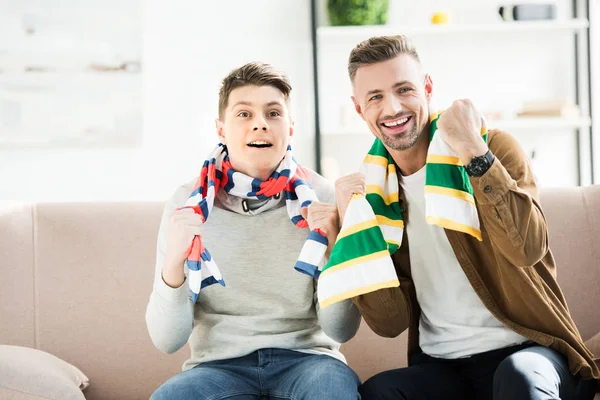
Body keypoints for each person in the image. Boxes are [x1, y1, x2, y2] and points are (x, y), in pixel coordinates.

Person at [331, 35, 599, 399]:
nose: (392, 108)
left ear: (427, 88)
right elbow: (389, 322)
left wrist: (474, 151)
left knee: (519, 377)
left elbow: (528, 248)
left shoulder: (492, 146)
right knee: (382, 392)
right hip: (443, 366)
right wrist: (353, 230)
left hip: (528, 352)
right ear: (359, 108)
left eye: (404, 89)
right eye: (375, 97)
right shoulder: (374, 196)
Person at [146, 61, 361, 400]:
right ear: (221, 129)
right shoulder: (186, 205)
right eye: (244, 114)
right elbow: (166, 340)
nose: (260, 124)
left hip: (309, 362)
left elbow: (341, 330)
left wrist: (336, 252)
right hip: (217, 367)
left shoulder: (322, 199)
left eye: (273, 114)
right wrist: (173, 263)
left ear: (290, 127)